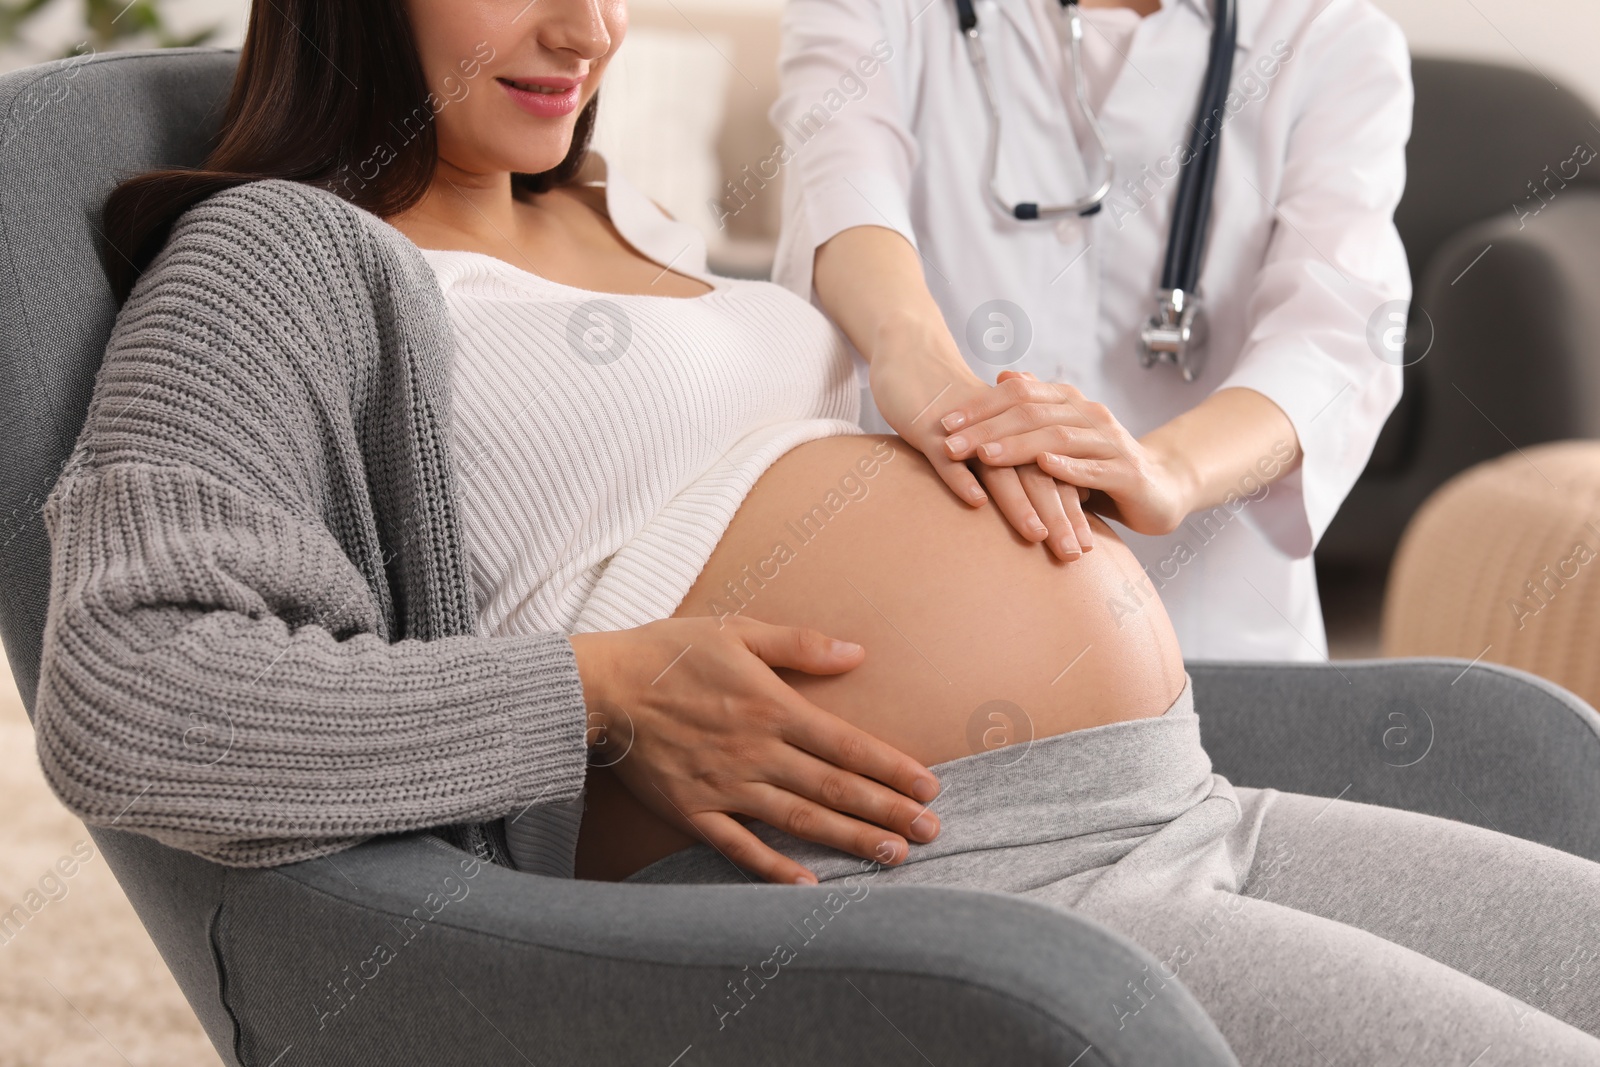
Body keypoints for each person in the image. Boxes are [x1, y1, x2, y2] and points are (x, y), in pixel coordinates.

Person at [31, 1, 1600, 1062]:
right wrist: (603, 690)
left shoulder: (619, 210)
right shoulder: (276, 254)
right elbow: (135, 693)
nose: (590, 29)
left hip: (1177, 805)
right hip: (961, 891)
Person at [769, 0, 1412, 660]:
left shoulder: (1330, 37)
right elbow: (843, 181)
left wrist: (1169, 470)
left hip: (1208, 640)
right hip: (919, 632)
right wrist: (914, 355)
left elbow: (1336, 339)